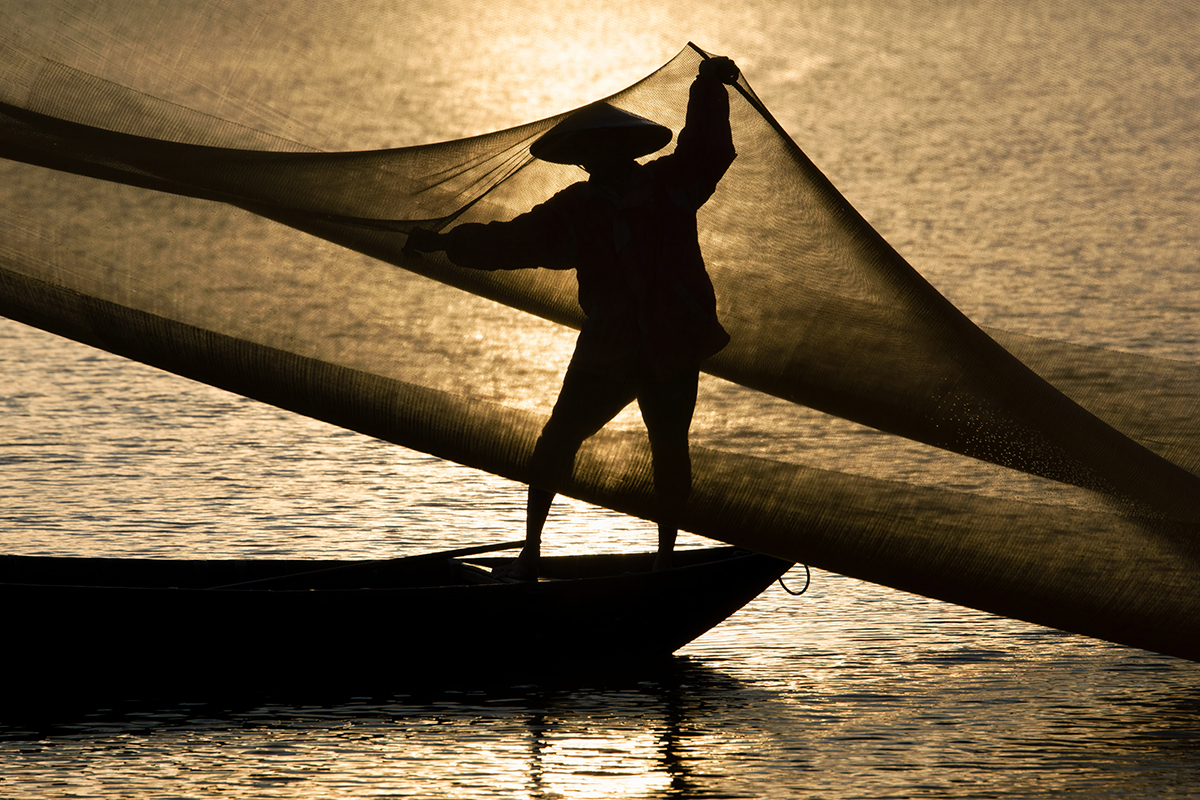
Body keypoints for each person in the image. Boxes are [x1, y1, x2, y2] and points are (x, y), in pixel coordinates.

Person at [405, 56, 740, 579]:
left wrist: (708, 87)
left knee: (663, 448)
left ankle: (663, 564)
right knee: (565, 440)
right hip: (621, 345)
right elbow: (515, 241)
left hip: (663, 343)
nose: (594, 159)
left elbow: (708, 148)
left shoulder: (668, 186)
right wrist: (448, 243)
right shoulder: (584, 207)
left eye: (599, 150)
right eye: (590, 153)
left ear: (617, 151)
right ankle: (532, 551)